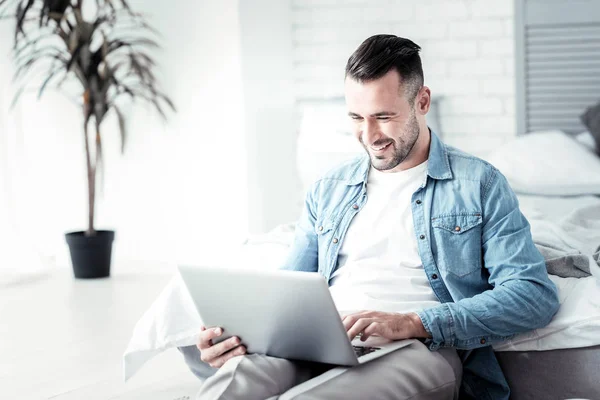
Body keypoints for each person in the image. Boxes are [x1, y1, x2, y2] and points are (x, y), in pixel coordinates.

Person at [179, 34, 560, 400]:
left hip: (417, 349)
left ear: (422, 101)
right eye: (356, 117)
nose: (369, 134)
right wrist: (239, 336)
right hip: (317, 343)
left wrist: (414, 322)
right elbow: (288, 288)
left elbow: (532, 295)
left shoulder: (480, 183)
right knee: (231, 385)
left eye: (383, 115)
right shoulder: (329, 188)